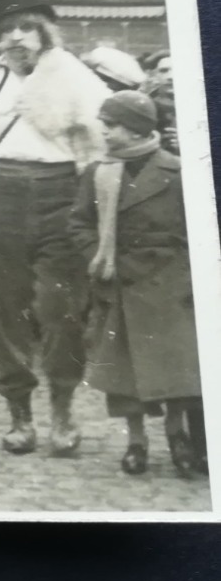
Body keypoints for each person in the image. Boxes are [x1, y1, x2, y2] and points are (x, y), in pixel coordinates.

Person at [0, 0, 109, 456]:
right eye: (7, 30)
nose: (16, 38)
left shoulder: (76, 78)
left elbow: (102, 141)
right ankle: (20, 415)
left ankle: (62, 410)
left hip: (62, 196)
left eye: (26, 28)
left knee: (62, 310)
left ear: (44, 33)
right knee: (5, 309)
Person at [70, 91, 206, 478]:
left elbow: (196, 231)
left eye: (111, 125)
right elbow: (78, 222)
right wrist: (96, 255)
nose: (105, 132)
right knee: (125, 375)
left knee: (176, 370)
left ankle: (177, 435)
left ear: (134, 129)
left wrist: (187, 277)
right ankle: (136, 441)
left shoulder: (178, 172)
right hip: (117, 285)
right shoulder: (99, 172)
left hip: (170, 287)